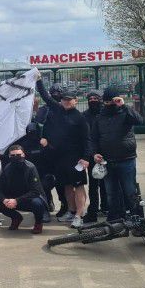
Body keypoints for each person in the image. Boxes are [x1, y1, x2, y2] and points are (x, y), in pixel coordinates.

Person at [36, 75, 91, 229]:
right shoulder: (57, 109)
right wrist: (38, 79)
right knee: (67, 186)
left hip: (76, 159)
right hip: (60, 158)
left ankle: (79, 215)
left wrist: (86, 157)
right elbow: (45, 96)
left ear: (76, 101)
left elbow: (87, 140)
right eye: (64, 99)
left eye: (70, 99)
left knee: (79, 186)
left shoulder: (80, 118)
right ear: (61, 100)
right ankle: (72, 211)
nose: (67, 101)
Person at [91, 86, 143, 221]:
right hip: (107, 160)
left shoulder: (126, 113)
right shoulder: (99, 117)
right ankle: (115, 217)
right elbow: (94, 138)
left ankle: (137, 216)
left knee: (130, 190)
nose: (109, 104)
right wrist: (95, 153)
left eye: (112, 101)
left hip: (126, 159)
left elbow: (139, 120)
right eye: (107, 102)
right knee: (111, 192)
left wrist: (124, 106)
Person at [0, 145, 47, 234]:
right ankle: (16, 217)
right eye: (13, 156)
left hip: (28, 199)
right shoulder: (7, 169)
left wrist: (17, 201)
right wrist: (4, 200)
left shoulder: (30, 168)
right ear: (9, 156)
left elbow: (36, 191)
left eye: (18, 155)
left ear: (23, 154)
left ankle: (39, 223)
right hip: (12, 199)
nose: (16, 157)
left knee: (38, 203)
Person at [34, 82, 68, 218]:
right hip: (43, 153)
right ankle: (48, 203)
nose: (55, 96)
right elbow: (36, 128)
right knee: (44, 181)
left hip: (60, 153)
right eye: (53, 93)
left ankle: (65, 205)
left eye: (58, 93)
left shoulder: (63, 110)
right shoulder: (42, 110)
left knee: (61, 182)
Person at [83, 90, 108, 222]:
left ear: (101, 99)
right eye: (90, 98)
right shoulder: (84, 116)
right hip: (92, 154)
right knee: (93, 185)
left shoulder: (106, 113)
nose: (93, 100)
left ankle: (106, 207)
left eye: (96, 98)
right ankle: (93, 210)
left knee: (107, 183)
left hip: (107, 153)